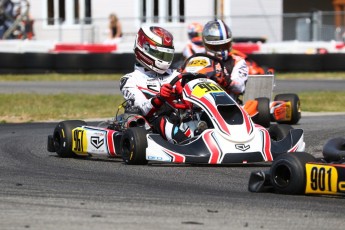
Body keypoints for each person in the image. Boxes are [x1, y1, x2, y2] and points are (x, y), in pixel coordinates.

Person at [120, 26, 188, 144]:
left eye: (166, 55)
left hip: (181, 119)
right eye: (161, 55)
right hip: (151, 125)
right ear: (144, 49)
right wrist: (159, 98)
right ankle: (187, 145)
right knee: (163, 120)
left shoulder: (176, 75)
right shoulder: (130, 80)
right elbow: (142, 108)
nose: (164, 60)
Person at [201, 19, 249, 100]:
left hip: (225, 104)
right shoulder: (198, 59)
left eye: (224, 46)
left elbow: (239, 87)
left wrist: (225, 81)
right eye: (216, 47)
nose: (221, 50)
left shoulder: (237, 61)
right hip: (198, 103)